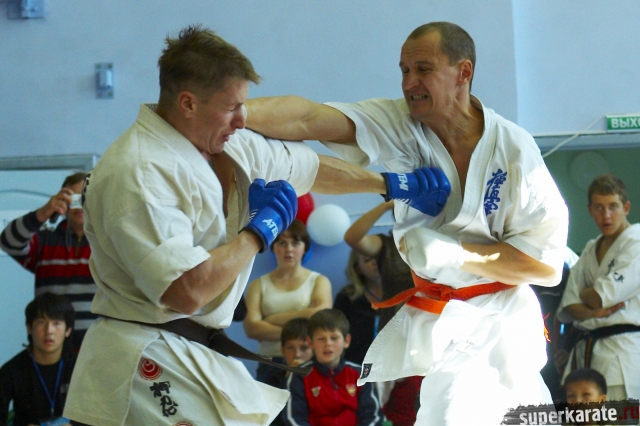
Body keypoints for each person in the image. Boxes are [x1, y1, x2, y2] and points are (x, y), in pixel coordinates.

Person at [62, 25, 424, 426]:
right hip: (145, 355)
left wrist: (390, 184)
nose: (242, 120)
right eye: (231, 107)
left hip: (192, 349)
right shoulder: (139, 171)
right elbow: (185, 291)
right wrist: (258, 233)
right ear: (188, 103)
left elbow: (311, 169)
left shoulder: (228, 142)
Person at [245, 21, 569, 424]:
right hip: (440, 320)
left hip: (500, 321)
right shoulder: (399, 122)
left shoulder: (514, 149)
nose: (409, 82)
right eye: (404, 70)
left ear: (463, 72)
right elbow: (309, 118)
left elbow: (545, 265)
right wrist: (232, 113)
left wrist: (459, 255)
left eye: (423, 69)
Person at [558, 174, 640, 403]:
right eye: (599, 207)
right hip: (588, 356)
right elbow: (570, 305)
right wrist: (593, 310)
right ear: (589, 210)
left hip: (623, 353)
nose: (606, 215)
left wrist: (588, 296)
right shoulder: (589, 249)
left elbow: (597, 298)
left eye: (613, 206)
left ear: (626, 208)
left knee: (621, 416)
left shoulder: (636, 242)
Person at [0, 172, 96, 349]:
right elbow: (7, 241)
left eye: (86, 197)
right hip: (51, 350)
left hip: (97, 347)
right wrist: (44, 212)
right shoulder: (45, 241)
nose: (80, 204)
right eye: (74, 198)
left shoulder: (109, 244)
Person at [244, 219, 332, 387]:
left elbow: (321, 318)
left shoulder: (319, 281)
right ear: (273, 247)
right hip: (270, 362)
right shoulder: (258, 285)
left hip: (308, 360)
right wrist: (303, 322)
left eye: (295, 243)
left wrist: (272, 319)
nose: (289, 249)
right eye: (282, 243)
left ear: (304, 248)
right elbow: (252, 329)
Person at [283, 309, 382, 426]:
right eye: (321, 339)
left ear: (346, 341)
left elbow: (372, 417)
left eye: (334, 338)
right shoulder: (299, 375)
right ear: (310, 343)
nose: (328, 344)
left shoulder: (360, 374)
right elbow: (294, 418)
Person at [0, 293, 77, 426]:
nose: (49, 331)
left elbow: (101, 415)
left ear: (68, 330)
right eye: (41, 322)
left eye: (56, 323)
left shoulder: (80, 367)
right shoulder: (11, 371)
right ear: (29, 328)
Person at [333, 248, 383, 365]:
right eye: (367, 260)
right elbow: (335, 335)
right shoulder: (346, 298)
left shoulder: (406, 294)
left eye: (379, 257)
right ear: (358, 269)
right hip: (355, 367)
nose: (375, 262)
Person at [272, 318, 313, 426]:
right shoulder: (273, 378)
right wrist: (288, 379)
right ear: (282, 350)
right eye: (290, 348)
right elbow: (271, 419)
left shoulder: (324, 376)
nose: (297, 355)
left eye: (304, 348)